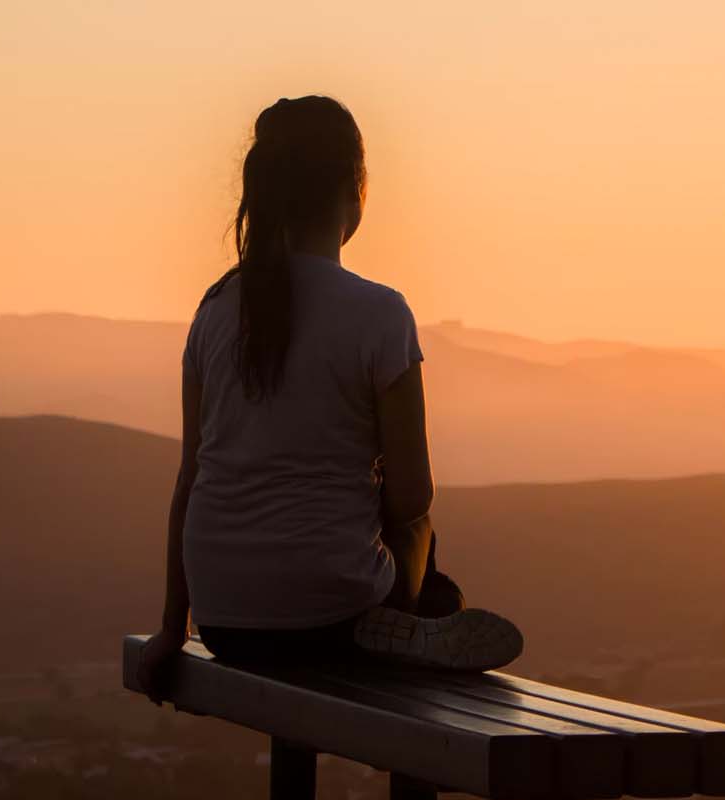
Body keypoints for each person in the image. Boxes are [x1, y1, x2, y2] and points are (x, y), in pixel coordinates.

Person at [134, 95, 522, 695]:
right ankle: (415, 617)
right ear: (355, 189)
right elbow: (413, 495)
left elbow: (190, 481)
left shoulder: (213, 311)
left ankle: (411, 616)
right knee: (422, 534)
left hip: (223, 621)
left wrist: (170, 629)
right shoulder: (380, 314)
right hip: (332, 615)